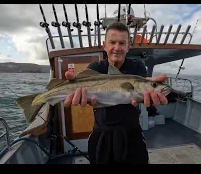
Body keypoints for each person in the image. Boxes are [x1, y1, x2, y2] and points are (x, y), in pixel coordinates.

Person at [63, 22, 168, 164]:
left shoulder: (137, 66)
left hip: (131, 134)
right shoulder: (95, 68)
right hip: (101, 134)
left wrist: (150, 90)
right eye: (112, 42)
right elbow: (87, 97)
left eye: (122, 43)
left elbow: (141, 92)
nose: (117, 48)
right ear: (104, 45)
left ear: (128, 46)